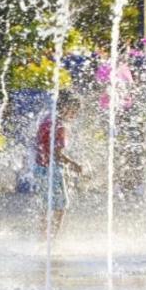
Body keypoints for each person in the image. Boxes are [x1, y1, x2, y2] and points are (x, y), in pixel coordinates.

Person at [35, 92, 82, 240]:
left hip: (40, 167)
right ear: (66, 107)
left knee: (45, 204)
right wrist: (74, 164)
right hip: (52, 169)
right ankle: (52, 239)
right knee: (60, 206)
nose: (75, 115)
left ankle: (43, 237)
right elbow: (57, 153)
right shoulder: (60, 126)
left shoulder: (47, 119)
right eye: (75, 110)